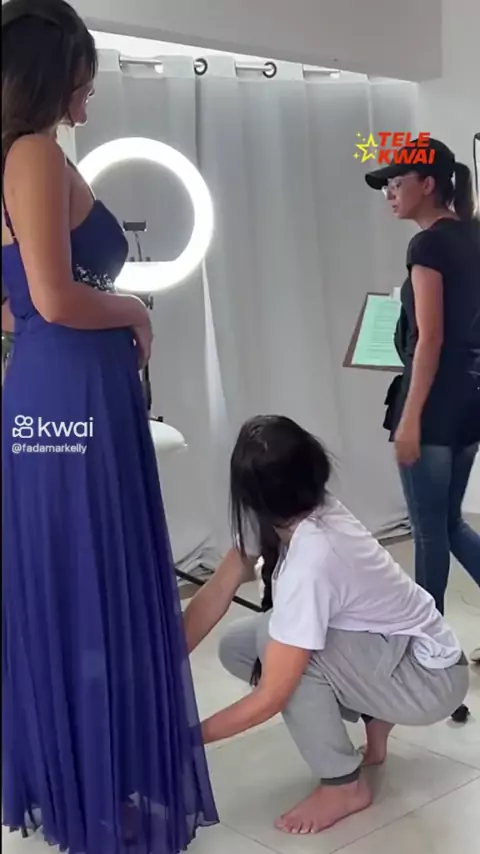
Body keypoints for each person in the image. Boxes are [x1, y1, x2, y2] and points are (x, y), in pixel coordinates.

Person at [2, 2, 218, 851]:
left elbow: (18, 307)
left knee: (75, 573)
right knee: (89, 573)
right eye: (84, 78)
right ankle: (97, 790)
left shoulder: (21, 157)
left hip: (57, 384)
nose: (89, 94)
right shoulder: (32, 154)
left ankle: (88, 781)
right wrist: (133, 308)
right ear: (54, 75)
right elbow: (53, 299)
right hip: (72, 392)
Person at [184, 415, 469, 836]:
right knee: (238, 645)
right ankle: (375, 717)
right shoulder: (286, 510)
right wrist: (161, 658)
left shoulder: (314, 555)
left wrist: (186, 738)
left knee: (278, 649)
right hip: (393, 652)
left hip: (431, 680)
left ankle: (343, 786)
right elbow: (219, 588)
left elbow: (272, 695)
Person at [365, 137, 480, 718]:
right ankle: (431, 648)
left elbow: (430, 338)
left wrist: (410, 418)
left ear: (428, 183)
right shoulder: (473, 236)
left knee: (430, 532)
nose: (390, 192)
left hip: (433, 407)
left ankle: (428, 657)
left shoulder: (428, 244)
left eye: (397, 182)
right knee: (450, 523)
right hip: (470, 402)